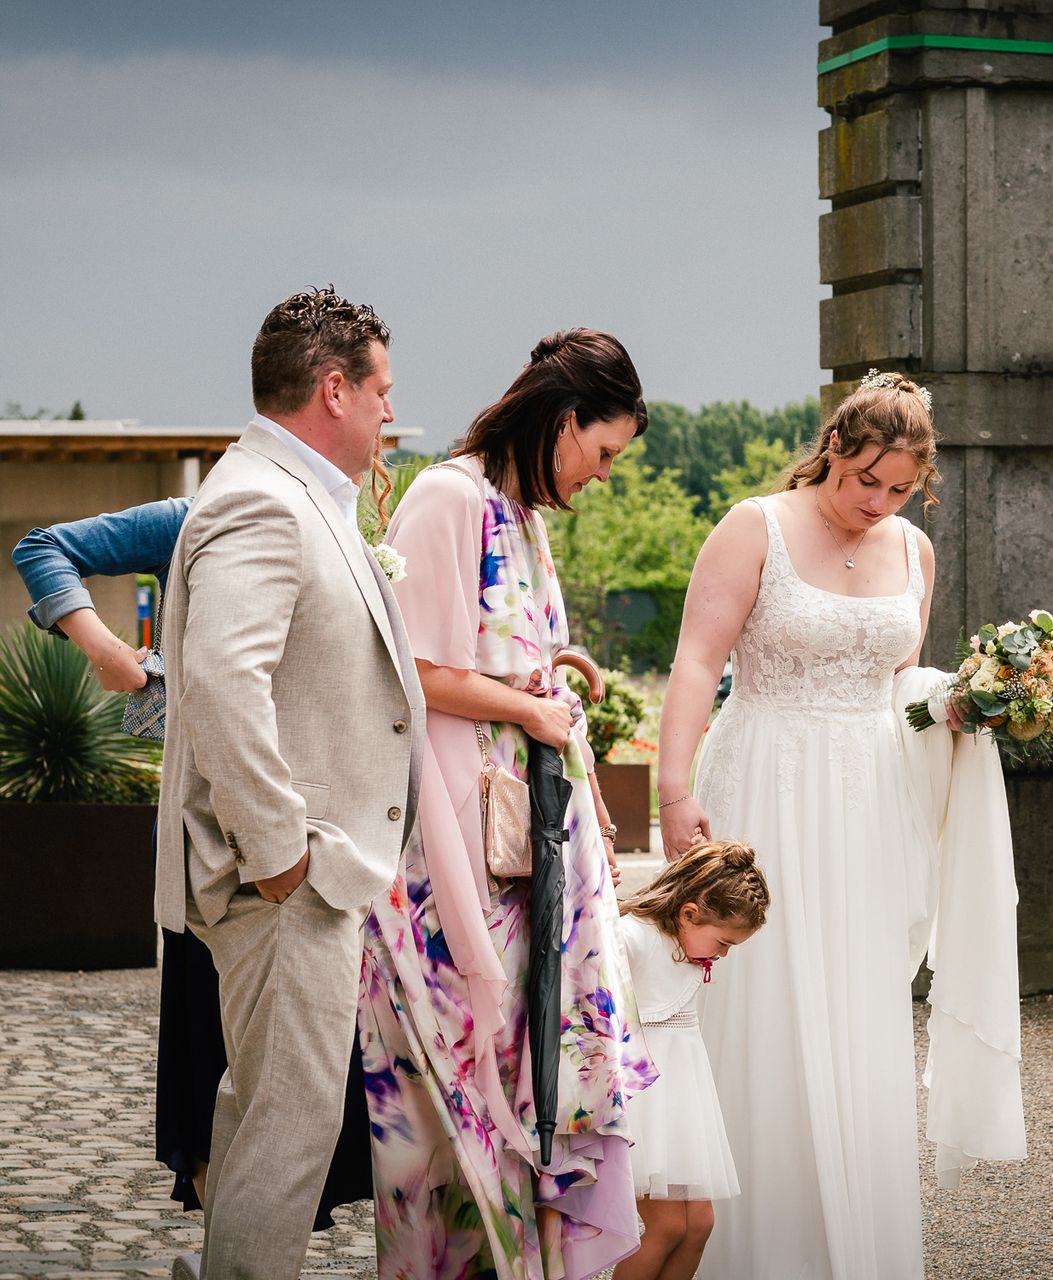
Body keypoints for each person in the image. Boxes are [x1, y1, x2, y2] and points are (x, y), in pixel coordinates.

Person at [657, 371, 1018, 1280]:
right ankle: (747, 1244)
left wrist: (961, 704)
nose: (879, 503)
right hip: (766, 775)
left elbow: (902, 684)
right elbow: (699, 659)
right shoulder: (755, 527)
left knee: (856, 998)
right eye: (866, 481)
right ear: (834, 453)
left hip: (867, 795)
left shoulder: (915, 552)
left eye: (899, 489)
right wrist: (670, 788)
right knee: (763, 989)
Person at [356, 328, 650, 1279]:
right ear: (566, 422)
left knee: (517, 1095)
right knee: (441, 1125)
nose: (604, 474)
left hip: (514, 854)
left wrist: (551, 673)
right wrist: (530, 703)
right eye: (604, 451)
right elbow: (415, 668)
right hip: (445, 864)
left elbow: (493, 660)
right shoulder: (451, 497)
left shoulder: (521, 516)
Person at [154, 286, 423, 1280]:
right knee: (289, 1130)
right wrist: (282, 856)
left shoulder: (301, 494)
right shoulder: (262, 497)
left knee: (258, 1110)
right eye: (383, 391)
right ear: (335, 385)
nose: (392, 412)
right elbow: (224, 682)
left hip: (305, 879)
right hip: (288, 884)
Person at [12, 496, 373, 1234]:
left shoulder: (351, 528)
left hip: (323, 845)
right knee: (212, 1057)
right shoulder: (204, 515)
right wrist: (111, 654)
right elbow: (41, 547)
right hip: (214, 846)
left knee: (303, 1084)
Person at [612, 839, 771, 1280]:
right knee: (665, 1226)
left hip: (683, 1097)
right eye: (723, 942)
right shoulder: (634, 937)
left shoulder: (688, 944)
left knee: (700, 1223)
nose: (722, 954)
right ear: (689, 913)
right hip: (645, 1103)